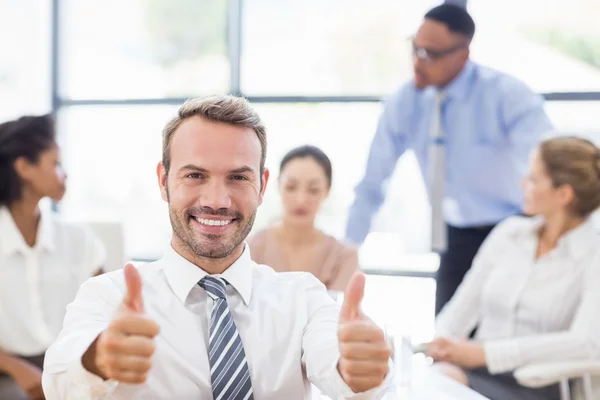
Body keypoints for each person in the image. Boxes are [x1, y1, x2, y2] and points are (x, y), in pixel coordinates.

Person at [42, 96, 392, 399]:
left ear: (261, 185)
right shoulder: (107, 297)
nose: (216, 200)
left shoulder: (303, 297)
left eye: (238, 178)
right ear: (164, 182)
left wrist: (357, 369)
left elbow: (335, 361)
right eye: (195, 175)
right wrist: (98, 360)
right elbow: (59, 382)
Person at [345, 3, 554, 315]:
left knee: (507, 334)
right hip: (455, 236)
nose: (418, 61)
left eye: (431, 54)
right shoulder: (405, 103)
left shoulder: (506, 95)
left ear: (463, 54)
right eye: (415, 48)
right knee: (446, 338)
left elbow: (550, 162)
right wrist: (348, 248)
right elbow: (374, 181)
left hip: (513, 230)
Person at [427, 136, 600, 400]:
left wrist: (486, 353)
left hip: (538, 381)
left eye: (533, 179)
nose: (523, 184)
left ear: (563, 194)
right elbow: (461, 308)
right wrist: (443, 341)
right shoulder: (508, 234)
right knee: (436, 381)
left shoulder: (593, 255)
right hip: (473, 370)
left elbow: (587, 343)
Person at [0, 115, 106, 400]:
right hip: (7, 372)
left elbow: (105, 312)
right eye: (55, 164)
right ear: (24, 167)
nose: (65, 174)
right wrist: (17, 368)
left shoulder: (79, 240)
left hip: (70, 366)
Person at [248, 145, 358, 292]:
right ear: (277, 185)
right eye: (291, 187)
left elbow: (340, 312)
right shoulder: (250, 249)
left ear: (327, 191)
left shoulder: (343, 257)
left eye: (313, 190)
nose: (301, 200)